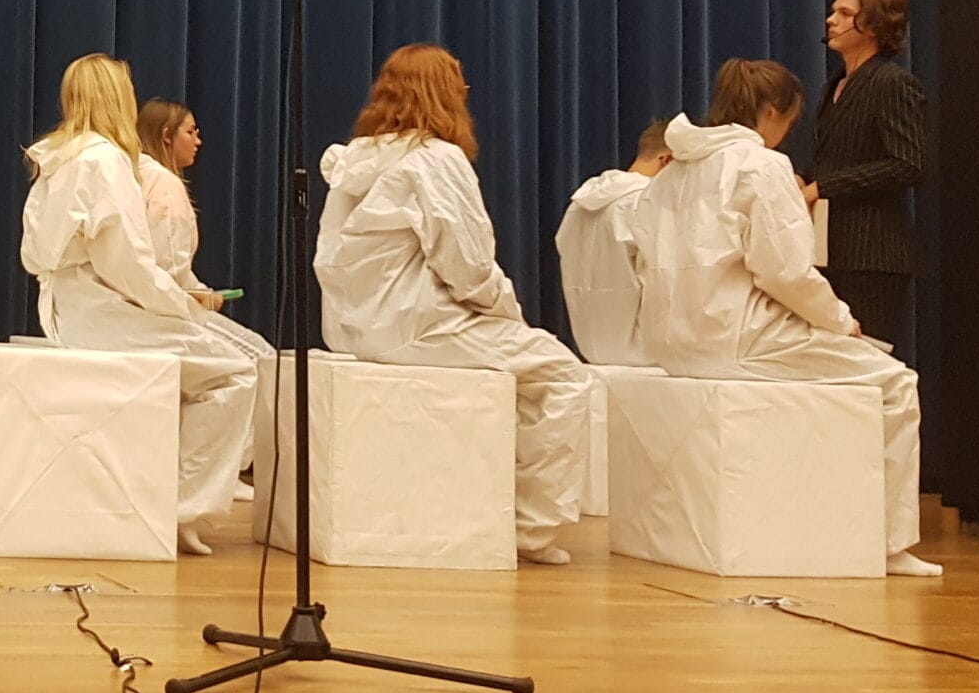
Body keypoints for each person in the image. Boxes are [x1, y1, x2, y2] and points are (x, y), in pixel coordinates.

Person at [634, 58, 942, 577]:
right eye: (790, 122)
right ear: (773, 111)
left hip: (673, 342)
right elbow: (785, 272)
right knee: (894, 382)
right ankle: (889, 544)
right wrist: (841, 321)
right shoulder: (761, 167)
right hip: (739, 338)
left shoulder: (674, 171)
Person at [313, 44, 588, 565]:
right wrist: (508, 311)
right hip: (420, 325)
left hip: (353, 329)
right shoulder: (436, 160)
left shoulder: (357, 160)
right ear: (445, 95)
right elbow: (469, 266)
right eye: (459, 85)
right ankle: (531, 526)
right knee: (564, 377)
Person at [22, 55, 256, 556]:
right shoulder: (105, 161)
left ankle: (164, 493)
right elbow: (127, 262)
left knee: (217, 361)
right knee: (236, 372)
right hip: (101, 310)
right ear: (116, 97)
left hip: (70, 304)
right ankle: (181, 507)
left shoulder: (57, 158)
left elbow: (38, 252)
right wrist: (181, 306)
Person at [135, 98, 273, 496]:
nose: (198, 141)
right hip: (164, 311)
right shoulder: (162, 184)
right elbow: (165, 267)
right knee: (260, 360)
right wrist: (199, 297)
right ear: (167, 136)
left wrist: (198, 293)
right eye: (190, 132)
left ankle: (218, 471)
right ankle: (219, 474)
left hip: (158, 304)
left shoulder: (138, 176)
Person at [804, 0, 930, 361]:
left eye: (845, 14)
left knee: (867, 363)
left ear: (873, 26)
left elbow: (908, 164)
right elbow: (835, 156)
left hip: (873, 254)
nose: (831, 20)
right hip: (831, 251)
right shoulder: (834, 86)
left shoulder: (892, 83)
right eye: (833, 12)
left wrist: (823, 186)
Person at [553, 119, 673, 366]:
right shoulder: (649, 204)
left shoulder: (578, 206)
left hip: (592, 356)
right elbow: (666, 287)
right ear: (668, 161)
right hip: (653, 361)